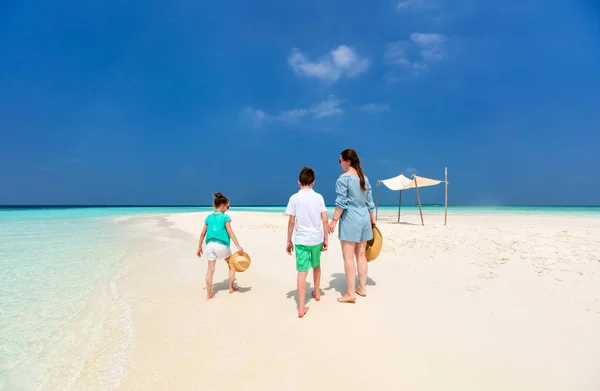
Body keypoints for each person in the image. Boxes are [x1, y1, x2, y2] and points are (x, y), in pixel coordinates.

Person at [328, 149, 376, 303]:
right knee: (361, 256)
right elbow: (370, 203)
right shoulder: (365, 179)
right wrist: (372, 220)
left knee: (348, 258)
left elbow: (341, 203)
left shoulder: (343, 179)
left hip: (350, 220)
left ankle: (350, 293)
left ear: (347, 161)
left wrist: (334, 221)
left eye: (340, 160)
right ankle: (361, 288)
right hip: (364, 220)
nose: (340, 163)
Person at [285, 167, 329, 318]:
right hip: (316, 239)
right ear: (313, 182)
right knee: (316, 265)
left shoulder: (294, 198)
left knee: (302, 272)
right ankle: (316, 293)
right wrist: (326, 238)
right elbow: (324, 219)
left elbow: (291, 222)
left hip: (301, 240)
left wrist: (288, 240)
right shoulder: (319, 197)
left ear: (299, 182)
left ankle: (301, 307)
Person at [197, 192, 244, 300]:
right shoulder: (225, 217)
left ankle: (209, 294)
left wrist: (199, 247)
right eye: (228, 206)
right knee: (231, 264)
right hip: (221, 245)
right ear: (223, 205)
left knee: (210, 269)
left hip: (209, 245)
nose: (228, 208)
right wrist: (238, 246)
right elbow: (230, 232)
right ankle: (231, 289)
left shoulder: (209, 217)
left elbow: (203, 233)